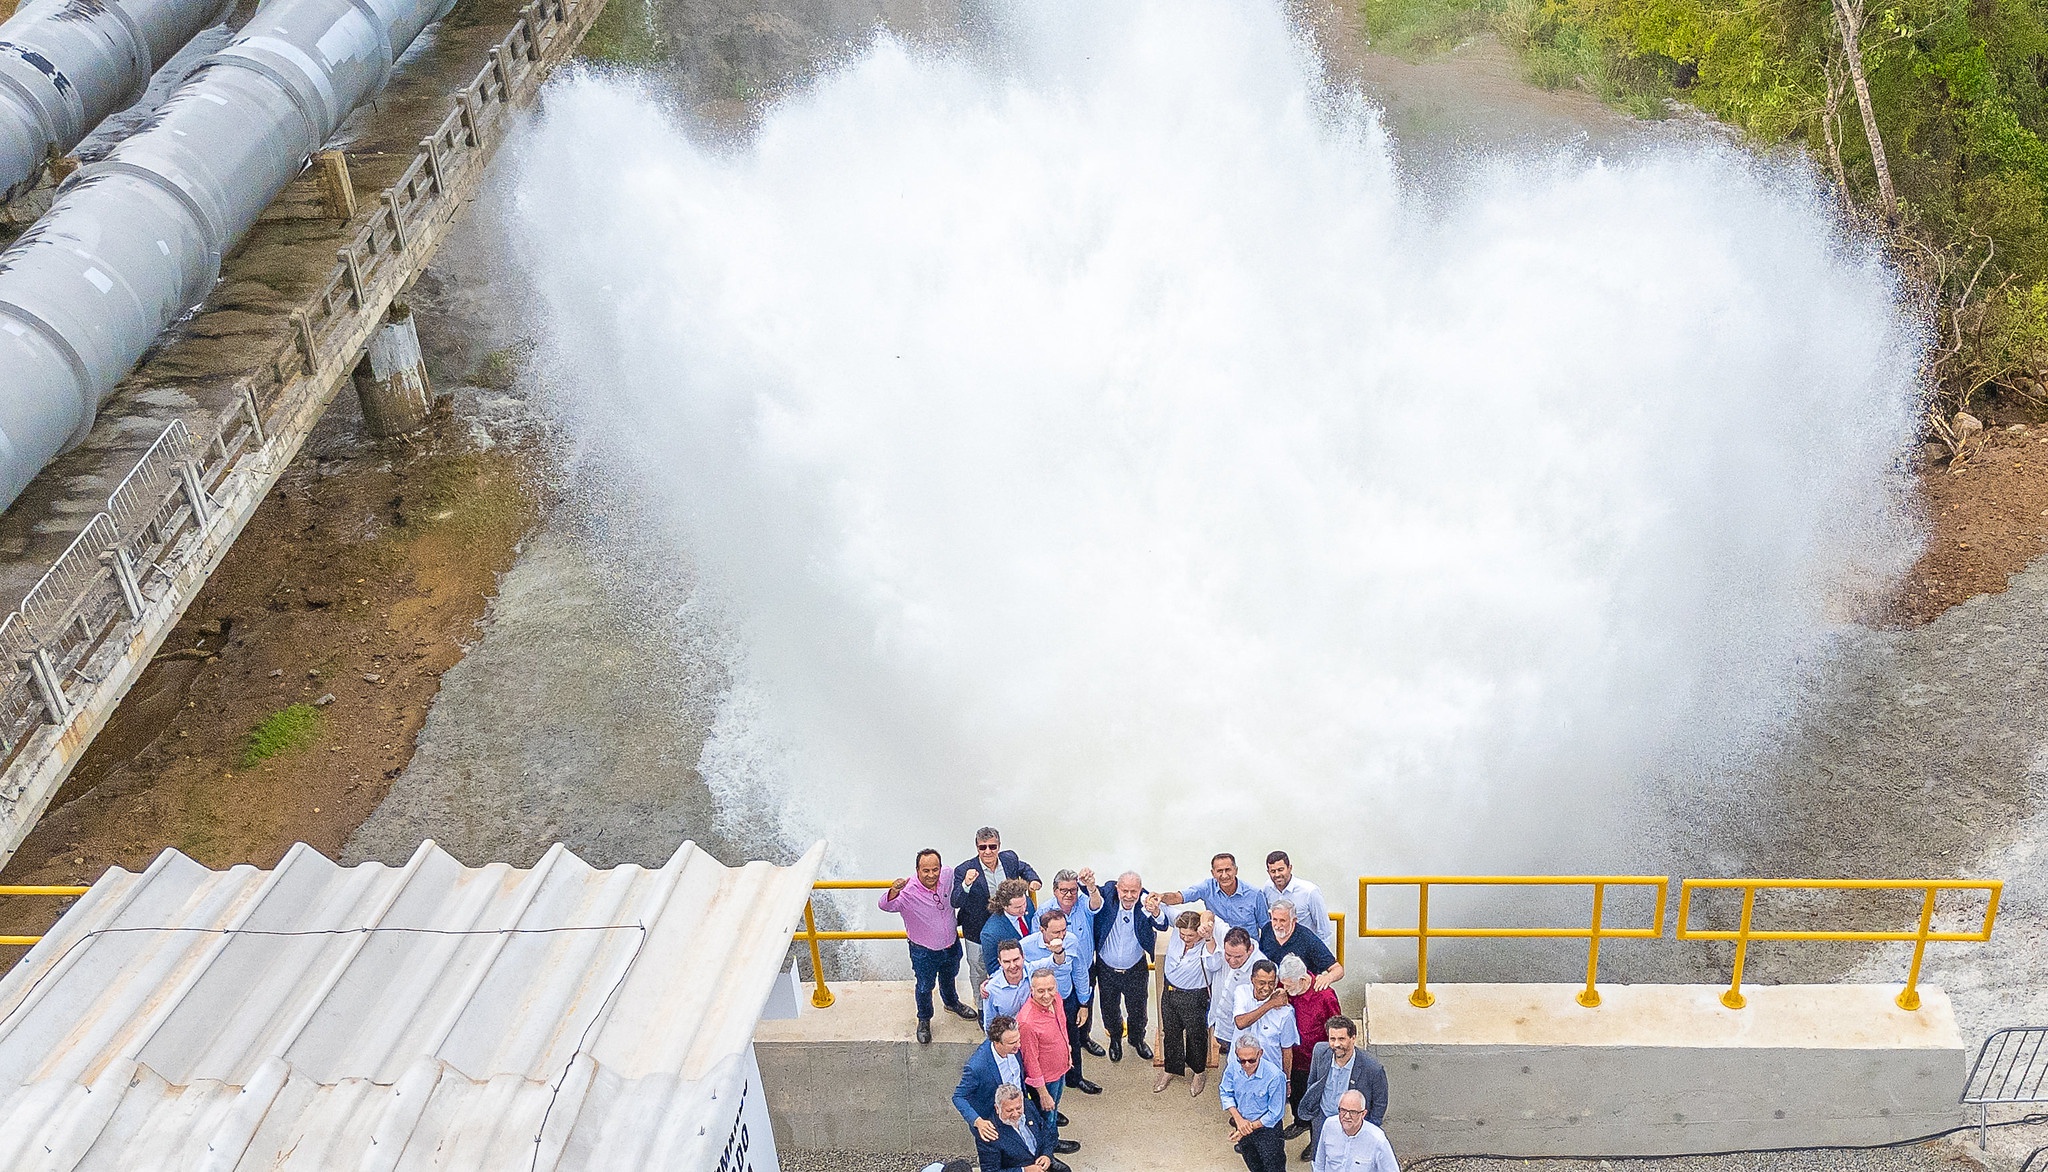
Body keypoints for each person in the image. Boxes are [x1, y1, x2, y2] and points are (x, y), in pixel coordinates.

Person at [880, 849, 979, 1044]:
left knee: (949, 977)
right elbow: (884, 905)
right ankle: (924, 1019)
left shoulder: (948, 875)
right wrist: (893, 891)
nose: (931, 874)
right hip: (923, 951)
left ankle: (952, 1003)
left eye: (935, 869)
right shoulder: (907, 891)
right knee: (925, 986)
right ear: (917, 870)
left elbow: (967, 868)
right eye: (926, 870)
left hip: (951, 944)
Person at [1021, 907, 1100, 1095]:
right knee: (1043, 1048)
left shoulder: (1071, 940)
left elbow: (1079, 971)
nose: (1062, 935)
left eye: (1064, 930)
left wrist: (1084, 1003)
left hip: (1065, 998)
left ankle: (1075, 1078)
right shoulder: (1026, 946)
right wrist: (1054, 957)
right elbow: (1020, 972)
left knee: (1071, 1039)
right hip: (1040, 1004)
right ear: (1042, 930)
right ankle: (1044, 1088)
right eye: (1056, 932)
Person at [1091, 871, 1161, 1062]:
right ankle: (1115, 1039)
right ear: (1117, 889)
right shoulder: (1107, 896)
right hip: (1107, 969)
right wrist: (1088, 882)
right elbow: (1084, 890)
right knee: (1109, 1008)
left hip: (1136, 969)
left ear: (1140, 890)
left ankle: (1137, 1039)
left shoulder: (1145, 904)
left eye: (1134, 891)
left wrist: (1155, 911)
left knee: (1138, 1009)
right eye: (1125, 891)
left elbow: (1162, 925)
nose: (1129, 896)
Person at [954, 828, 1042, 979]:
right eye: (983, 847)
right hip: (977, 931)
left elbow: (1024, 867)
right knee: (979, 970)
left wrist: (1033, 879)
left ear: (999, 846)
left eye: (992, 846)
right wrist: (966, 884)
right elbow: (955, 901)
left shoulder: (1009, 859)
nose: (988, 851)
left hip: (1009, 925)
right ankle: (981, 1001)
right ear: (977, 847)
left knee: (1013, 964)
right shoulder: (964, 870)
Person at [1300, 1016, 1390, 1162]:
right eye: (1332, 1038)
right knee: (1320, 1159)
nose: (1336, 1044)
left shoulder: (1372, 1068)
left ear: (1353, 1038)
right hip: (1322, 1118)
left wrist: (1366, 1129)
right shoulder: (1319, 1051)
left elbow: (1380, 1103)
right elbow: (1312, 1082)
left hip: (1352, 1123)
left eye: (1341, 1039)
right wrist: (1315, 1114)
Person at [1277, 955, 1341, 1137]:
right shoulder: (1287, 989)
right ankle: (1300, 1121)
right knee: (1295, 1094)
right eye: (1284, 985)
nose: (1286, 990)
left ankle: (1315, 1137)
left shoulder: (1325, 997)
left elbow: (1336, 1028)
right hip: (1292, 1057)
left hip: (1315, 1062)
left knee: (1316, 1102)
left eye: (1289, 985)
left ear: (1303, 979)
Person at [1046, 869, 1105, 1061]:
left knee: (1085, 1003)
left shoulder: (1083, 904)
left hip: (1085, 968)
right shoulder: (1044, 912)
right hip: (1058, 971)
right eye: (1063, 890)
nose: (1068, 894)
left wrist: (1090, 886)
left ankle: (1084, 1038)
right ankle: (1065, 1043)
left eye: (1072, 890)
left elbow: (1097, 905)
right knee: (1060, 1008)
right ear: (1055, 891)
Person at [1156, 908, 1212, 1096]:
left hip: (1194, 996)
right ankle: (1170, 1069)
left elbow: (1210, 913)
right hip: (1170, 991)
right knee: (1170, 1032)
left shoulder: (1207, 945)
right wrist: (1154, 905)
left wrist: (1207, 929)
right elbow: (1163, 904)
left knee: (1196, 1035)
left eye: (1190, 935)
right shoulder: (1177, 931)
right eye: (1182, 934)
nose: (1186, 938)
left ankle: (1198, 1071)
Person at [1220, 1035, 1289, 1172]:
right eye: (1242, 1060)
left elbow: (1275, 1113)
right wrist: (1239, 1120)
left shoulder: (1275, 1076)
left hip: (1267, 1130)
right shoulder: (1233, 1067)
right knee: (1252, 1163)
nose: (1246, 1065)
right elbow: (1226, 1092)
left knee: (1274, 1166)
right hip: (1243, 1124)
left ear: (1260, 1054)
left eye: (1251, 1060)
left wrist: (1246, 1127)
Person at [1017, 968, 1075, 1130]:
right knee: (1046, 1115)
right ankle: (1050, 1147)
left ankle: (1053, 1116)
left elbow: (1062, 1025)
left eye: (1050, 989)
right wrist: (1043, 1094)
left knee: (1053, 1106)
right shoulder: (1027, 1022)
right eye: (1041, 991)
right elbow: (1030, 1061)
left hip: (1061, 1068)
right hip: (1047, 1079)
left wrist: (1067, 1049)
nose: (1047, 995)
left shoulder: (1056, 1000)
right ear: (1032, 990)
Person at [954, 1016, 1026, 1143]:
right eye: (1012, 1043)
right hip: (995, 1122)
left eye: (1018, 1040)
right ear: (997, 1042)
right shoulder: (977, 1067)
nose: (1018, 1045)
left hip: (1018, 1110)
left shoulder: (1014, 1045)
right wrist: (978, 1121)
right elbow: (959, 1097)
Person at [1160, 853, 1270, 935]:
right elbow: (1179, 897)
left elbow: (1266, 928)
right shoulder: (1207, 887)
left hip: (1247, 950)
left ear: (1236, 870)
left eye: (1228, 870)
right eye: (1219, 871)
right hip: (1218, 948)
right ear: (1213, 873)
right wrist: (1160, 897)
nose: (1224, 875)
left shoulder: (1255, 894)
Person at [1205, 925, 1265, 1068]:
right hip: (1219, 1022)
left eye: (1238, 957)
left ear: (1250, 950)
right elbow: (1210, 916)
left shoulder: (1261, 968)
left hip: (1240, 1032)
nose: (1232, 961)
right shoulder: (1225, 933)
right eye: (1228, 955)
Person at [977, 1084, 1069, 1172]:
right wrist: (1024, 1170)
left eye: (1019, 1108)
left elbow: (1045, 1133)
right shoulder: (988, 1133)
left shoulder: (1028, 1106)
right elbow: (990, 1170)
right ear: (997, 1108)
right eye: (1009, 1110)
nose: (1016, 1114)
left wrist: (1047, 1155)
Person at [1231, 959, 1300, 1075]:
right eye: (1262, 983)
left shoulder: (1285, 1012)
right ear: (1252, 980)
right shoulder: (1241, 992)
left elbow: (1287, 1052)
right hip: (1239, 1071)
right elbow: (1240, 1023)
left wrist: (1287, 1080)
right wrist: (1270, 1004)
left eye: (1271, 983)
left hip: (1270, 1076)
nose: (1267, 988)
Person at [1259, 899, 1343, 987]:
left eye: (1283, 921)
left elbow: (1338, 969)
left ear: (1294, 920)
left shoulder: (1308, 939)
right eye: (1275, 919)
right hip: (1273, 989)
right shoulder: (1267, 930)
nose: (1277, 925)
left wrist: (1327, 978)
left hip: (1299, 992)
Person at [1262, 851, 1336, 952]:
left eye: (1281, 870)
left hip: (1306, 950)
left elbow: (1324, 930)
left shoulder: (1309, 891)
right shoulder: (1267, 888)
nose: (1277, 874)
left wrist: (1322, 960)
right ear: (1268, 872)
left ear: (1290, 868)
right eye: (1273, 871)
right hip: (1278, 949)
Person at [1312, 1090, 1399, 1172]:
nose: (1346, 1116)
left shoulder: (1377, 1140)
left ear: (1363, 1114)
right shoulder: (1329, 1126)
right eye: (1343, 1110)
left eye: (1353, 1112)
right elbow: (1320, 1163)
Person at [981, 879, 1037, 976]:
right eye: (1017, 907)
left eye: (1024, 904)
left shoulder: (1027, 902)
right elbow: (993, 968)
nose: (1023, 909)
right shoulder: (990, 933)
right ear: (1004, 905)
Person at [981, 939, 1036, 1027]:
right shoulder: (991, 990)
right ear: (1000, 962)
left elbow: (1053, 962)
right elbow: (990, 1023)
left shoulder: (1033, 971)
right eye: (1007, 962)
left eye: (1016, 959)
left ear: (1023, 957)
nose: (1012, 966)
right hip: (1010, 1037)